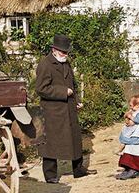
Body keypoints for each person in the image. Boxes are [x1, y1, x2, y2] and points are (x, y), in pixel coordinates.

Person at [35, 34, 95, 183]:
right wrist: (63, 92)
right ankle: (50, 176)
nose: (66, 54)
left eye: (67, 52)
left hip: (68, 107)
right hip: (52, 111)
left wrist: (76, 101)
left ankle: (78, 170)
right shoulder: (45, 64)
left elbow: (73, 85)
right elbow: (41, 89)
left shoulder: (65, 63)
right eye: (63, 52)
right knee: (51, 143)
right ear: (54, 50)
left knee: (75, 139)